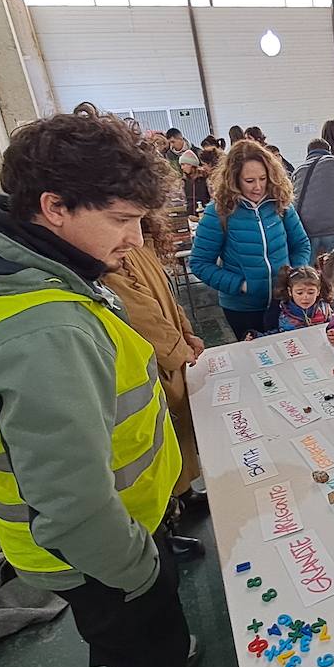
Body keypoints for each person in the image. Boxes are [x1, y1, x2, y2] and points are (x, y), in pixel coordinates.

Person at [0, 103, 239, 667]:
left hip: (112, 533)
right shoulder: (44, 330)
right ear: (54, 207)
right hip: (102, 554)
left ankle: (160, 663)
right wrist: (141, 569)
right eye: (120, 220)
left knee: (146, 642)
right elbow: (73, 505)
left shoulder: (19, 278)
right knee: (144, 656)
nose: (135, 240)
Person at [104, 234, 208, 561]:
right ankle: (164, 525)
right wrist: (179, 349)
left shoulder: (139, 241)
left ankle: (184, 494)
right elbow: (140, 313)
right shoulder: (110, 253)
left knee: (180, 435)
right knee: (154, 446)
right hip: (151, 361)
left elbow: (166, 295)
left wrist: (186, 331)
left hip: (171, 354)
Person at [189, 140, 312, 339]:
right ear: (234, 179)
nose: (258, 187)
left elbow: (301, 245)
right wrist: (241, 285)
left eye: (263, 178)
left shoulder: (281, 204)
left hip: (282, 302)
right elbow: (199, 263)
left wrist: (294, 277)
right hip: (242, 308)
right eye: (249, 181)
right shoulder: (218, 212)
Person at [292, 137, 334, 258]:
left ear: (308, 153)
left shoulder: (298, 171)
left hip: (309, 228)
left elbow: (294, 204)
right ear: (328, 150)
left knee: (309, 274)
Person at [243, 265, 334, 339]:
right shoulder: (281, 311)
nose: (305, 297)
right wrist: (256, 337)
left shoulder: (325, 309)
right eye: (299, 293)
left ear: (318, 291)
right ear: (290, 291)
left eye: (311, 292)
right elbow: (274, 335)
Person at [177, 150, 211, 216]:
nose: (182, 168)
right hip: (190, 215)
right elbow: (183, 199)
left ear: (191, 164)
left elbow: (212, 197)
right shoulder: (184, 181)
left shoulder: (205, 178)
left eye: (184, 164)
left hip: (206, 214)